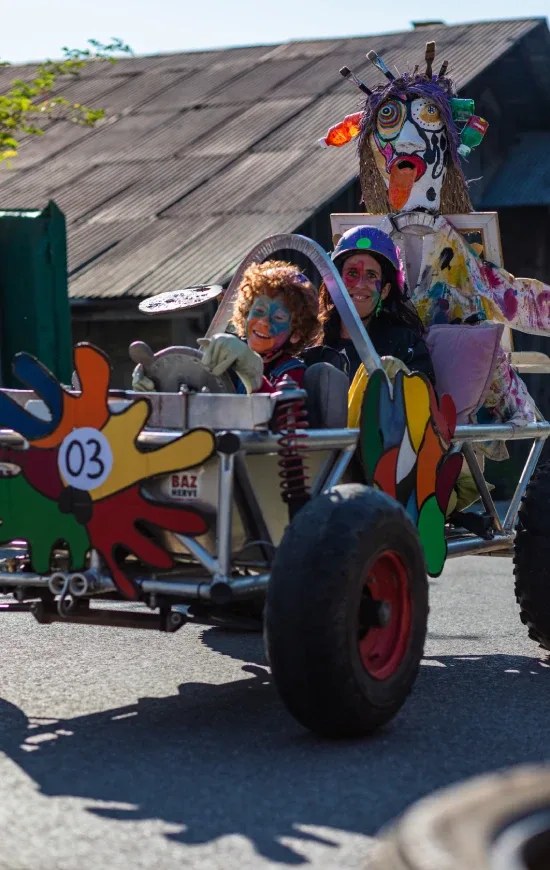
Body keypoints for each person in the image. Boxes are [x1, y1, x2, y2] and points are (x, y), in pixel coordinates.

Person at [132, 260, 320, 394]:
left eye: (278, 317)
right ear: (246, 314)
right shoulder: (224, 357)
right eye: (259, 310)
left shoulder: (291, 373)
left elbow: (284, 425)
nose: (264, 321)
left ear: (296, 333)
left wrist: (253, 375)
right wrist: (155, 387)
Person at [313, 225, 435, 391]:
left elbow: (420, 405)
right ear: (336, 281)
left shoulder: (404, 344)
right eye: (353, 273)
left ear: (384, 291)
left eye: (371, 276)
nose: (360, 284)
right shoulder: (312, 341)